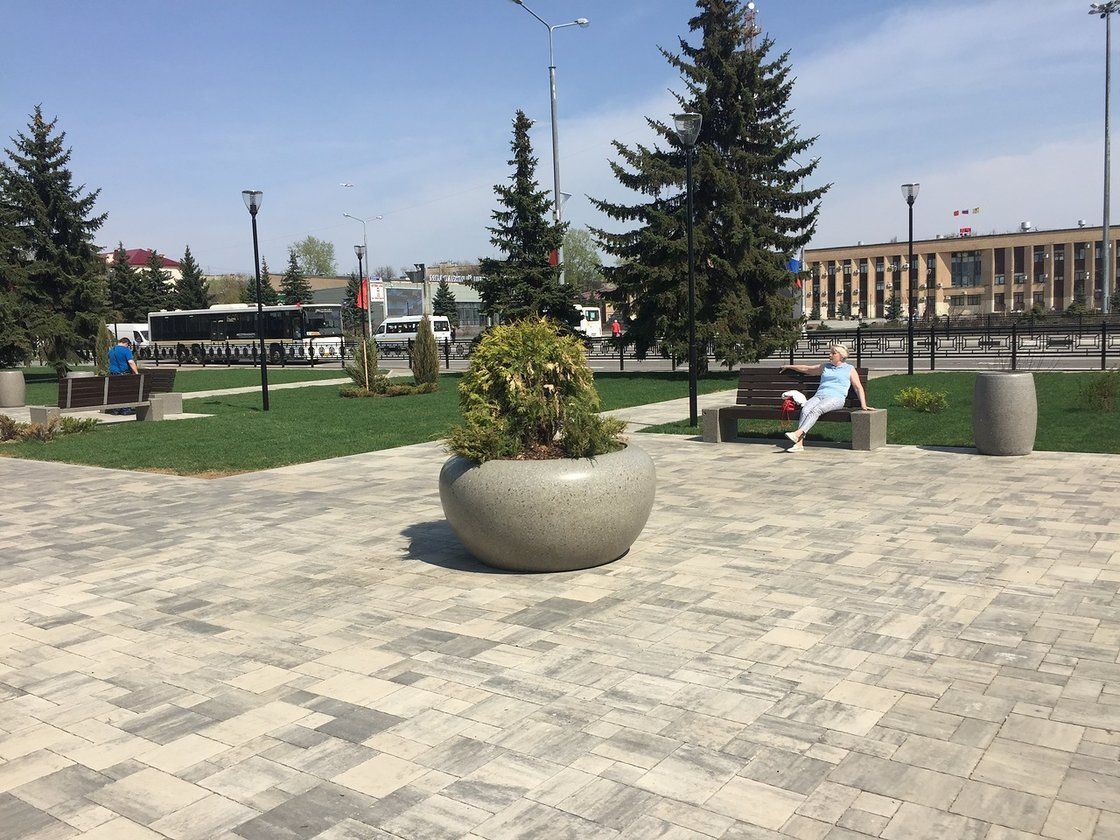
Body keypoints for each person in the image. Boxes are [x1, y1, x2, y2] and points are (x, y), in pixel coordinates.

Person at [779, 344, 871, 452]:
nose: (830, 355)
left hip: (836, 398)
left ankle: (798, 433)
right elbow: (807, 369)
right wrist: (789, 366)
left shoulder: (849, 369)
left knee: (817, 409)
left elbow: (858, 387)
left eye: (833, 353)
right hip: (819, 396)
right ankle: (799, 445)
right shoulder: (825, 366)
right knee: (806, 409)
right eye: (830, 352)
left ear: (841, 356)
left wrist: (863, 405)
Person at [106, 337, 138, 415]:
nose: (128, 347)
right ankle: (125, 409)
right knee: (125, 391)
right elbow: (131, 362)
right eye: (128, 345)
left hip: (113, 374)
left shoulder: (112, 350)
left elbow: (110, 360)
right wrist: (136, 373)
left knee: (116, 391)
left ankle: (116, 409)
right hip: (124, 374)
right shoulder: (126, 350)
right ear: (126, 343)